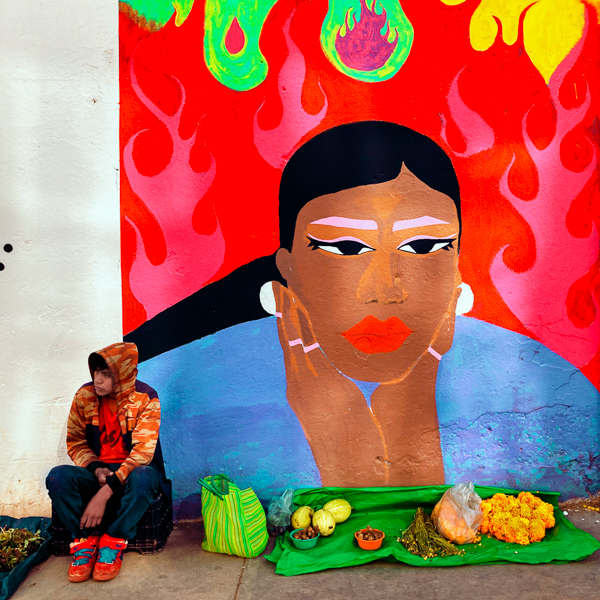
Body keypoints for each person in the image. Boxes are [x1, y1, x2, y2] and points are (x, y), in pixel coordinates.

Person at [133, 121, 600, 502]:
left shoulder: (544, 375)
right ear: (287, 268)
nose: (386, 291)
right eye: (344, 247)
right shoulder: (177, 383)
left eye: (423, 246)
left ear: (457, 268)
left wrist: (410, 419)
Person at [46, 342, 167, 582]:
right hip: (98, 473)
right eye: (96, 373)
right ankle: (85, 541)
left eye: (106, 374)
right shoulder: (85, 396)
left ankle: (113, 540)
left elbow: (143, 454)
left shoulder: (146, 398)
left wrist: (105, 494)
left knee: (145, 476)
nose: (97, 380)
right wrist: (95, 468)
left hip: (132, 474)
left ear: (123, 375)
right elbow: (76, 441)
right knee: (57, 476)